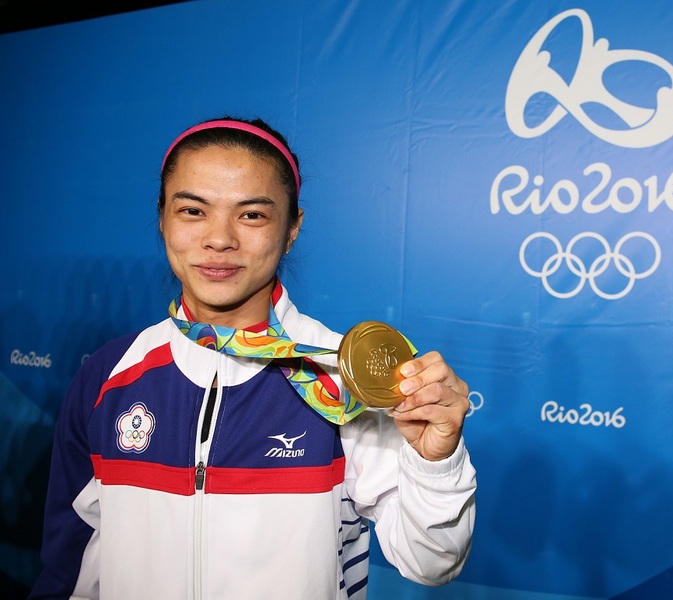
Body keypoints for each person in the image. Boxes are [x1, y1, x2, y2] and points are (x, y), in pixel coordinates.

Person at [30, 117, 476, 599]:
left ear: (292, 229)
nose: (219, 239)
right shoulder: (109, 375)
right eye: (192, 210)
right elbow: (70, 567)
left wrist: (436, 463)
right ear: (162, 218)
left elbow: (432, 561)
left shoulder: (341, 379)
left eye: (252, 215)